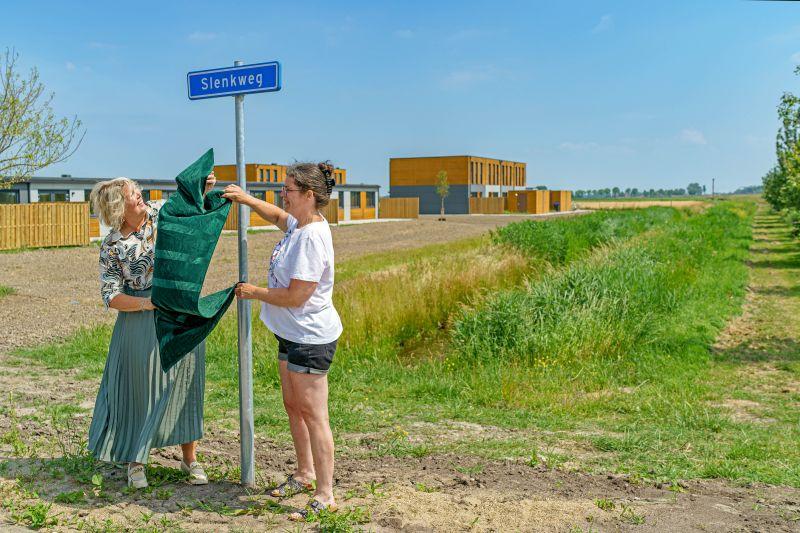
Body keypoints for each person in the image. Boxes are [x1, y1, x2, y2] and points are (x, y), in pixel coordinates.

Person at [223, 162, 342, 519]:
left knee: (314, 414)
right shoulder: (300, 224)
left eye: (288, 190)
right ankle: (305, 474)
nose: (282, 196)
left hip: (309, 337)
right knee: (293, 406)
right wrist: (246, 199)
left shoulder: (312, 238)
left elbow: (296, 296)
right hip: (290, 334)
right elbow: (277, 216)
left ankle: (325, 493)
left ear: (308, 195)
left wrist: (254, 292)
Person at [87, 173, 215, 488]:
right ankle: (136, 462)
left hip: (179, 312)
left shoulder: (160, 216)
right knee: (140, 390)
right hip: (139, 321)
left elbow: (187, 210)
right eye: (133, 193)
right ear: (119, 205)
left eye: (138, 190)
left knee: (186, 384)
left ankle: (190, 459)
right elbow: (111, 295)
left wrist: (203, 189)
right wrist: (147, 305)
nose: (140, 195)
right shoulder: (112, 244)